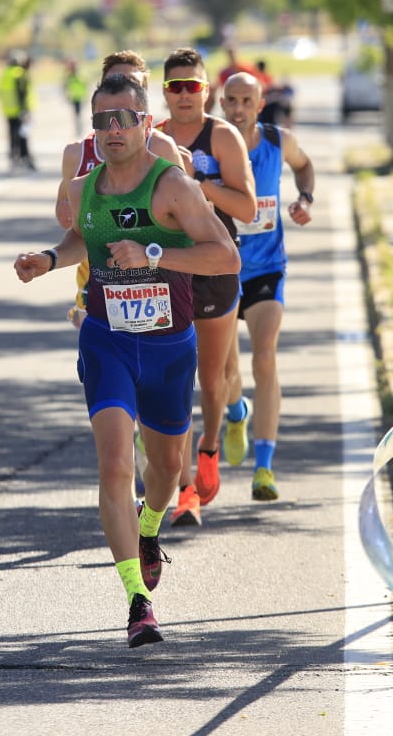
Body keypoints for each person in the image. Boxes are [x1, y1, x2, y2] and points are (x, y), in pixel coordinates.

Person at [14, 72, 239, 648]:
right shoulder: (84, 188)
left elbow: (225, 256)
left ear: (145, 123)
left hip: (169, 345)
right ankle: (138, 602)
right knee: (115, 465)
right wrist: (48, 258)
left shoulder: (174, 188)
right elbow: (80, 242)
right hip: (106, 338)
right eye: (101, 121)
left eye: (123, 119)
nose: (112, 130)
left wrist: (154, 252)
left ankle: (148, 526)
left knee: (164, 470)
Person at [158, 47, 256, 525]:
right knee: (170, 379)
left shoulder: (223, 136)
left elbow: (248, 207)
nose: (183, 95)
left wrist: (200, 183)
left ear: (206, 91)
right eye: (174, 87)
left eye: (191, 87)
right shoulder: (151, 137)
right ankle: (183, 488)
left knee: (211, 379)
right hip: (166, 268)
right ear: (163, 92)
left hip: (216, 265)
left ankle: (210, 447)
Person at [218, 72, 316, 501]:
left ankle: (264, 468)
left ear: (260, 105)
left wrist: (304, 199)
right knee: (225, 373)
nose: (238, 108)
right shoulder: (208, 146)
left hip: (265, 269)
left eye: (246, 100)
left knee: (264, 357)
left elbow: (305, 165)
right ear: (221, 104)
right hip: (219, 270)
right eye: (231, 100)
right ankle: (236, 411)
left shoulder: (278, 141)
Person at [54, 51, 187, 329]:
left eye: (132, 84)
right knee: (103, 363)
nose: (123, 88)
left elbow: (186, 223)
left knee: (156, 366)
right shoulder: (78, 153)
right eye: (116, 82)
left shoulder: (161, 147)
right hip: (99, 282)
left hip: (156, 285)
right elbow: (67, 219)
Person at [0, 50, 33, 171]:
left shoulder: (5, 74)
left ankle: (13, 159)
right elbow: (22, 93)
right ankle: (24, 158)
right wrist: (25, 110)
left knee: (12, 136)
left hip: (8, 111)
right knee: (22, 136)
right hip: (19, 110)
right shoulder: (19, 74)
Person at [64, 59, 85, 138]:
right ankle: (78, 129)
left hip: (79, 97)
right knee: (76, 114)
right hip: (74, 97)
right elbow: (66, 86)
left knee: (78, 114)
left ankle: (79, 129)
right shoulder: (69, 76)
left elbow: (84, 85)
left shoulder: (78, 75)